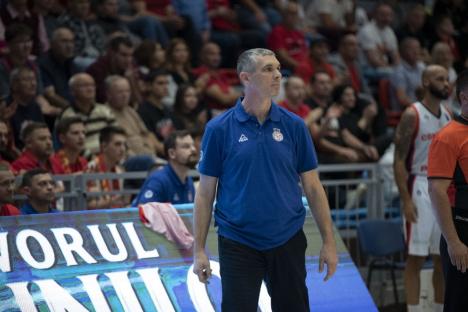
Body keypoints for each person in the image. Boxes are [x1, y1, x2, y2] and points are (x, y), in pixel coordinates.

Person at [193, 48, 337, 311]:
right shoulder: (218, 129)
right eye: (268, 69)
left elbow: (313, 188)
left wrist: (329, 242)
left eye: (278, 68)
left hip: (287, 238)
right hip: (238, 240)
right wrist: (199, 250)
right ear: (246, 78)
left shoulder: (294, 126)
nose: (277, 75)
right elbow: (204, 194)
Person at [393, 65, 451, 312]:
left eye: (447, 79)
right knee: (416, 259)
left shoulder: (447, 115)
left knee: (441, 259)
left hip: (443, 190)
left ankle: (438, 308)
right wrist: (406, 200)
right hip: (418, 187)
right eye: (440, 78)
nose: (446, 83)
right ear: (426, 81)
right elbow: (398, 160)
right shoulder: (411, 114)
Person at [428, 70, 468, 312]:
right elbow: (436, 191)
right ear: (464, 97)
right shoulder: (448, 137)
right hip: (462, 229)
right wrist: (454, 242)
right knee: (460, 303)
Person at [133, 130, 197, 206]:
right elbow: (143, 209)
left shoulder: (188, 180)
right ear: (172, 153)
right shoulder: (159, 180)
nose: (193, 149)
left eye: (193, 145)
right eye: (186, 146)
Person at [86, 125, 128, 209]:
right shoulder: (91, 169)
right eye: (117, 144)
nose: (123, 149)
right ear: (104, 146)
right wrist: (113, 201)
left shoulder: (120, 170)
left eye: (124, 144)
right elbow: (88, 206)